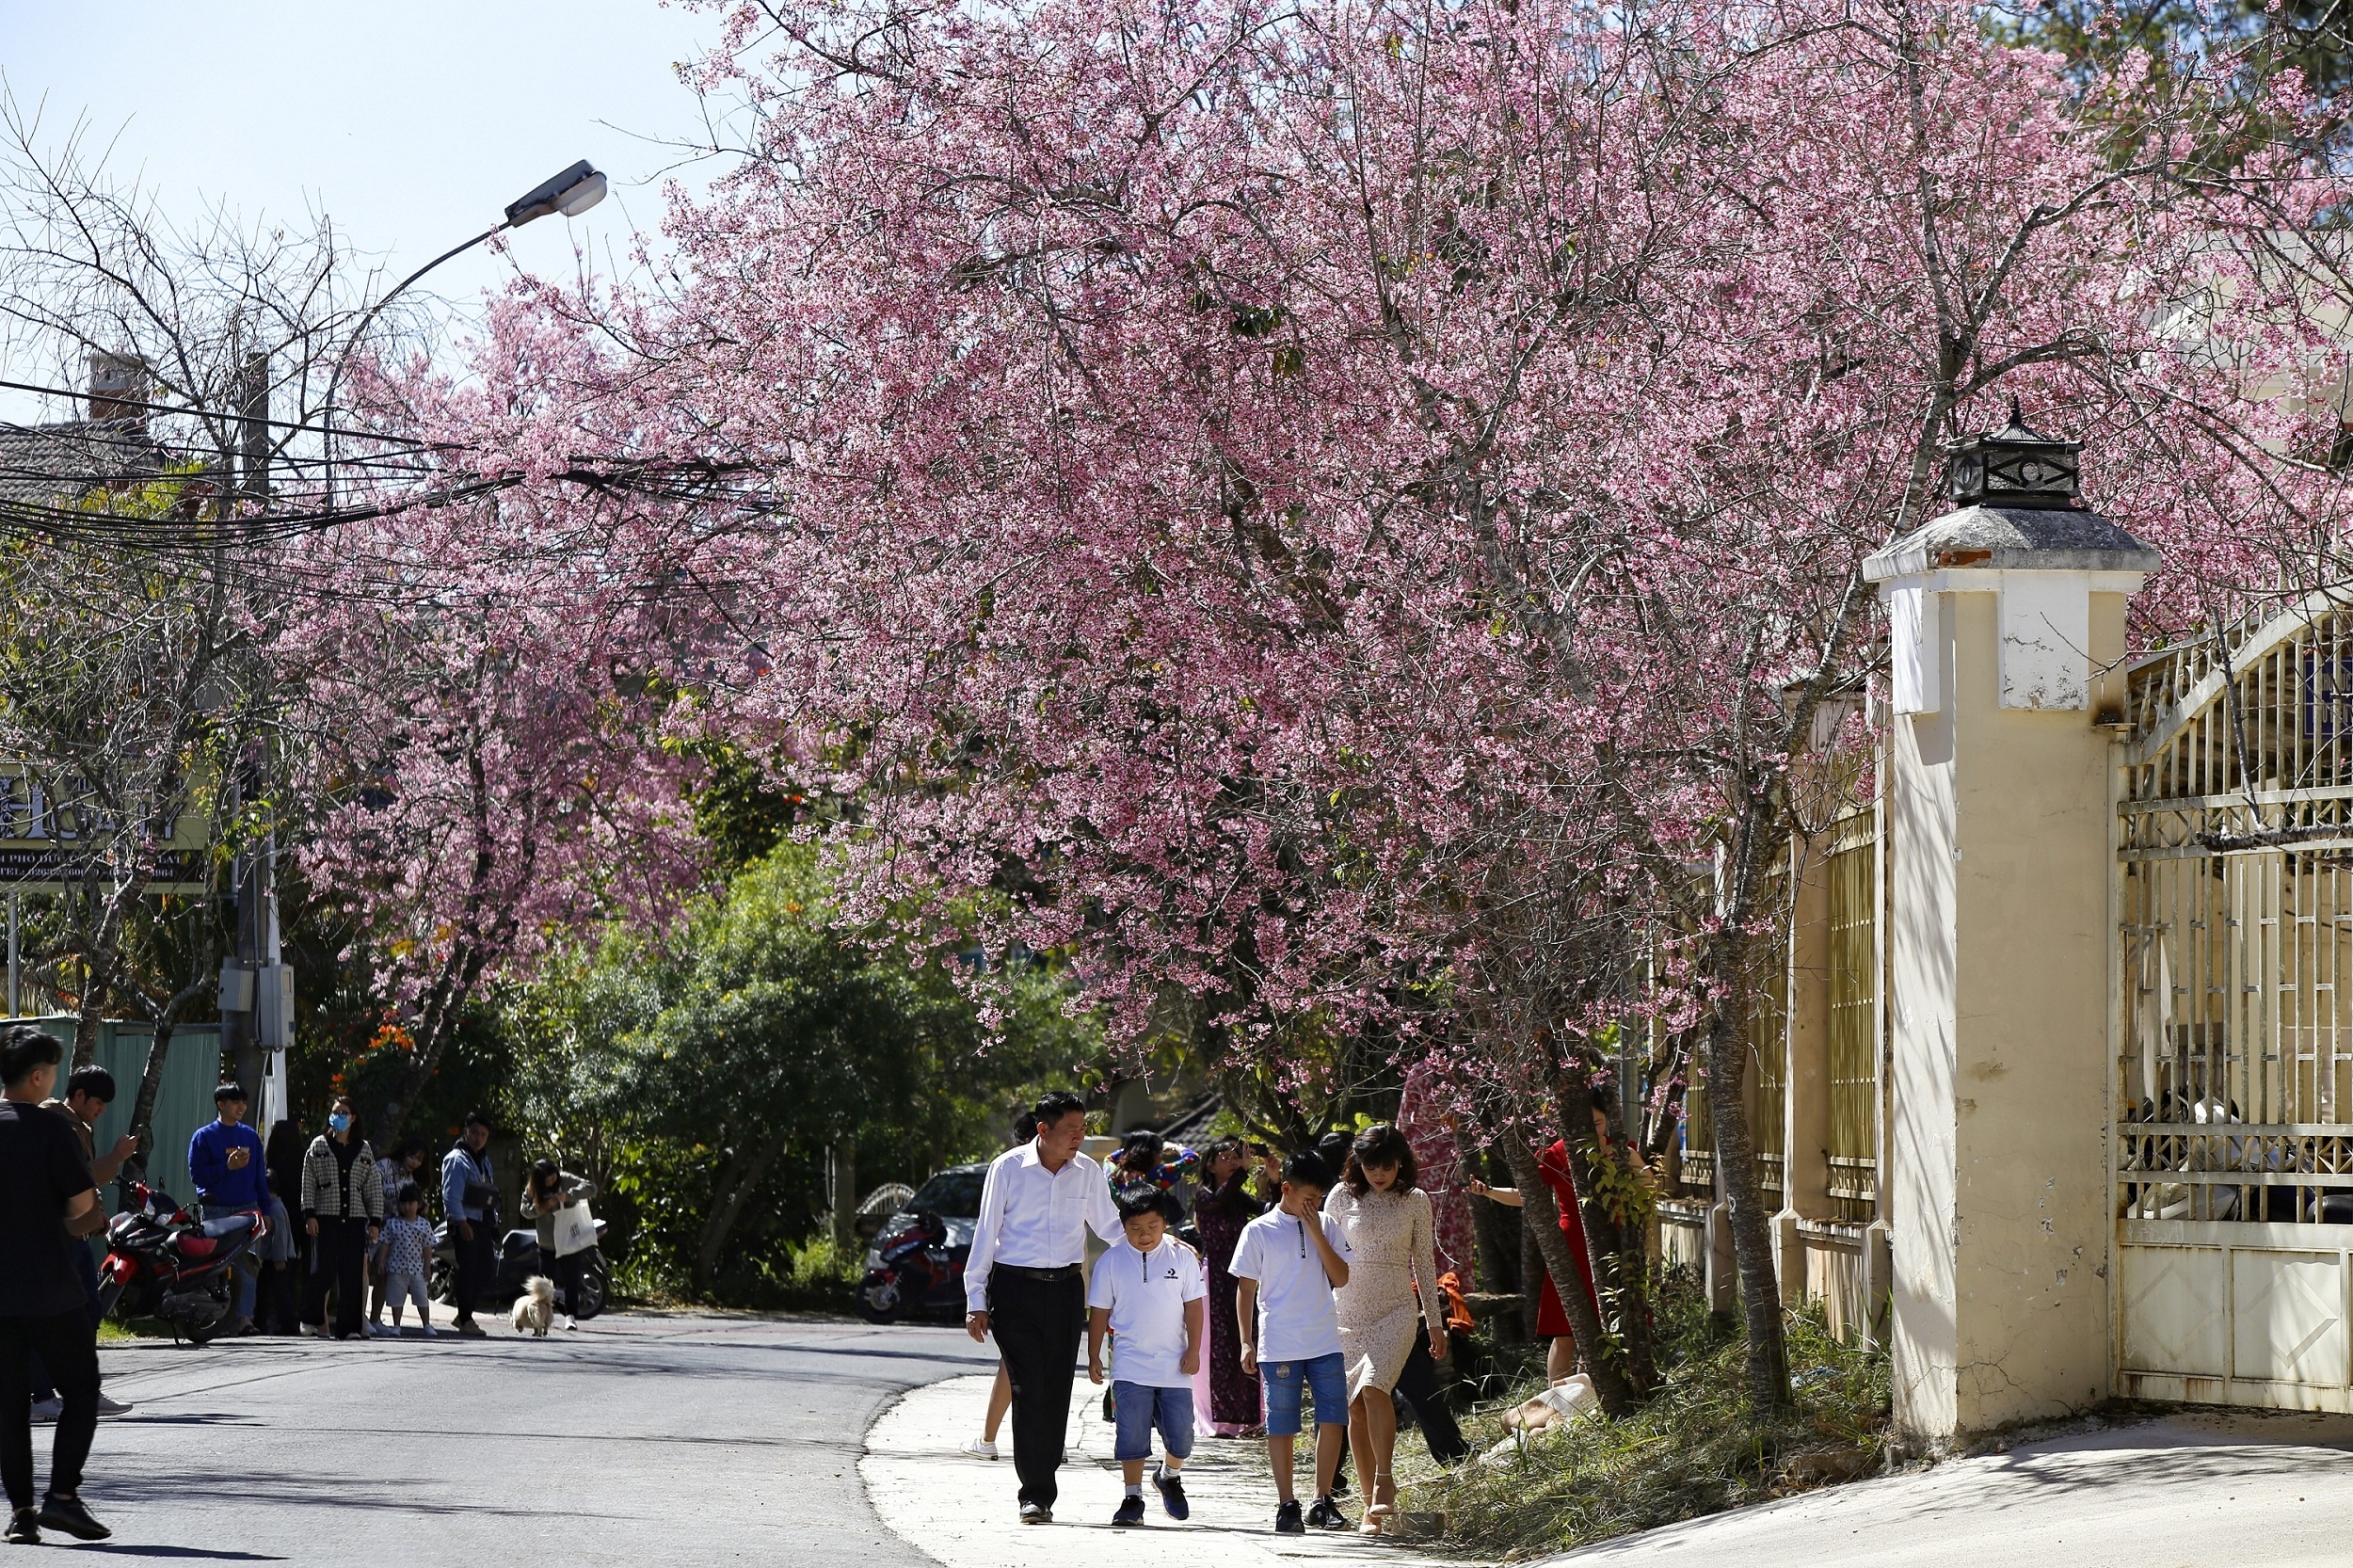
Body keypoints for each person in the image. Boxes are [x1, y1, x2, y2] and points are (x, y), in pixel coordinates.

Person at [964, 1090, 1126, 1525]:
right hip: (1014, 1290)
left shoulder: (1088, 1172)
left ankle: (1043, 1478)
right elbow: (986, 1232)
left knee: (1055, 1389)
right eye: (1071, 1129)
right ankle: (1034, 1493)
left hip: (1066, 1291)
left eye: (1083, 1128)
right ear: (1043, 1129)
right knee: (1027, 1386)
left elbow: (1111, 1226)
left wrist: (1159, 1245)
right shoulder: (1008, 1168)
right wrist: (975, 1299)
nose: (1080, 1136)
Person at [0, 1025, 109, 1543]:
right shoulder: (50, 1131)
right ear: (38, 1077)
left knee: (8, 1403)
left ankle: (21, 1515)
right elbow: (85, 1207)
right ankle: (62, 1497)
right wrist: (66, 1222)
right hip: (47, 1285)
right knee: (82, 1388)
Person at [1325, 1124, 1445, 1536]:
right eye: (1371, 1165)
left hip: (1396, 1311)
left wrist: (1435, 1322)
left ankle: (1385, 1481)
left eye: (1387, 1166)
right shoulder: (1341, 1196)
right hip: (1347, 1313)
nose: (1379, 1174)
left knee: (1376, 1389)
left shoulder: (1415, 1200)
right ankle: (1368, 1507)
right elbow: (1321, 1255)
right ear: (1358, 1163)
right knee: (1355, 1406)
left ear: (1401, 1164)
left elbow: (1425, 1265)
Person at [1232, 1149, 1353, 1536]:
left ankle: (1322, 1500)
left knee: (1333, 1417)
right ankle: (1287, 1502)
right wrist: (1246, 1341)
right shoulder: (1258, 1230)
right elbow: (1245, 1288)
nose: (1315, 1205)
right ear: (1286, 1188)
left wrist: (1316, 1229)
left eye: (1319, 1199)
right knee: (1281, 1425)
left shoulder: (1328, 1224)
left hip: (1324, 1339)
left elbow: (1341, 1277)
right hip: (1279, 1343)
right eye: (1309, 1199)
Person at [1465, 1090, 1617, 1385]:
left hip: (1612, 1246)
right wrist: (1490, 1191)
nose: (1591, 1130)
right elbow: (1527, 1196)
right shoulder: (1557, 1153)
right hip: (1572, 1246)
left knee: (1607, 1328)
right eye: (1585, 1123)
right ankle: (1556, 1402)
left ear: (1608, 1119)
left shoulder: (1622, 1151)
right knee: (1566, 1332)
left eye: (1597, 1123)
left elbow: (1648, 1186)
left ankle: (1597, 1397)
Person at [1086, 1192, 1204, 1527]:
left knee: (1182, 1437)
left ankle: (1169, 1475)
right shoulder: (1111, 1260)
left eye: (1153, 1225)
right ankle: (1132, 1497)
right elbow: (1099, 1310)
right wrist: (1093, 1354)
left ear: (1165, 1223)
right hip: (1129, 1363)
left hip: (1175, 1365)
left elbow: (1194, 1306)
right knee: (1131, 1434)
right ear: (1123, 1226)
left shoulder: (1182, 1257)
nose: (1145, 1234)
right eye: (1136, 1227)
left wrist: (1193, 1349)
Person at [27, 1067, 136, 1422]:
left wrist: (97, 1217)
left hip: (77, 1238)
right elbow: (80, 1176)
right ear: (78, 1096)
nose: (101, 1110)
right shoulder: (54, 1120)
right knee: (52, 1319)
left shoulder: (75, 1124)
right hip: (56, 1241)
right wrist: (117, 1156)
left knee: (87, 1314)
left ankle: (81, 1388)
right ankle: (41, 1395)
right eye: (98, 1103)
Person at [1191, 1135, 1264, 1436]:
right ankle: (1217, 1417)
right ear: (1210, 1164)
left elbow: (1266, 1209)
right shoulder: (1204, 1195)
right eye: (1227, 1156)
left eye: (1238, 1156)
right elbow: (1221, 1196)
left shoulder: (1234, 1195)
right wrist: (1245, 1171)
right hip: (1215, 1279)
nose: (1234, 1161)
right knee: (1216, 1349)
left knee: (1243, 1343)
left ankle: (1247, 1416)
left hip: (1240, 1277)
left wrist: (1273, 1182)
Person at [298, 1097, 384, 1340]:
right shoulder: (319, 1146)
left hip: (355, 1219)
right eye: (335, 1112)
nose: (338, 1116)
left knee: (352, 1276)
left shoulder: (363, 1148)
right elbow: (308, 1183)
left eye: (344, 1112)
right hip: (326, 1217)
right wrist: (309, 1214)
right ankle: (310, 1316)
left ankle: (349, 1328)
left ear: (353, 1118)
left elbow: (372, 1187)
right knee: (322, 1270)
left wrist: (375, 1220)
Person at [187, 1082, 269, 1336]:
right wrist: (227, 1167)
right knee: (214, 1266)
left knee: (247, 1265)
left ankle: (245, 1319)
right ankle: (215, 1319)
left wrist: (264, 1212)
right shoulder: (203, 1137)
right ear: (220, 1105)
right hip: (216, 1211)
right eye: (235, 1102)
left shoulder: (250, 1137)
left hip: (247, 1208)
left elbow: (259, 1177)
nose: (241, 1107)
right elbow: (198, 1176)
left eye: (243, 1102)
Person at [440, 1112, 497, 1338]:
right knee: (469, 1269)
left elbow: (490, 1192)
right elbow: (450, 1195)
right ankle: (466, 1319)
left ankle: (464, 1312)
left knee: (485, 1269)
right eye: (474, 1133)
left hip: (483, 1220)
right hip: (465, 1220)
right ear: (466, 1132)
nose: (478, 1138)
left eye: (483, 1135)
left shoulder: (484, 1160)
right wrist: (461, 1222)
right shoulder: (456, 1159)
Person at [525, 1159, 599, 1330]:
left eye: (554, 1178)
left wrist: (569, 1195)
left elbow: (591, 1187)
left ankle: (571, 1316)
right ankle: (542, 1317)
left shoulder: (564, 1179)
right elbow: (524, 1210)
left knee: (571, 1280)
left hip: (568, 1240)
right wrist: (542, 1207)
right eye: (547, 1181)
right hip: (547, 1242)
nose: (552, 1182)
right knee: (543, 1283)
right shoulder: (532, 1188)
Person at [367, 1141, 426, 1335]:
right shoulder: (384, 1165)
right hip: (371, 1224)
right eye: (412, 1156)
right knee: (363, 1272)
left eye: (419, 1160)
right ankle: (359, 1316)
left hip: (391, 1232)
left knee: (383, 1274)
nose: (414, 1162)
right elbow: (368, 1187)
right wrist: (387, 1205)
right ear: (403, 1152)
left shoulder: (409, 1180)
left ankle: (375, 1319)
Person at [261, 1119, 310, 1336]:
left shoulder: (272, 1165)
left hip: (277, 1213)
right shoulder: (302, 1162)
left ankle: (271, 1316)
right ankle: (293, 1315)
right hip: (300, 1215)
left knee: (271, 1270)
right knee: (293, 1268)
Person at [378, 1183, 436, 1336]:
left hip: (417, 1268)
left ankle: (427, 1324)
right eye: (404, 1203)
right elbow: (385, 1242)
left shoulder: (424, 1225)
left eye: (411, 1203)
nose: (407, 1207)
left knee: (421, 1297)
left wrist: (427, 1267)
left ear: (419, 1205)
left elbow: (427, 1247)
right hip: (396, 1267)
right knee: (396, 1297)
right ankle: (396, 1325)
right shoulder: (393, 1224)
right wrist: (381, 1261)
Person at [1106, 1130, 1201, 1208]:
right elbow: (1193, 1158)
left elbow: (1110, 1157)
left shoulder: (1112, 1172)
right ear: (1150, 1154)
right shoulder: (1155, 1175)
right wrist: (1174, 1147)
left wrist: (1132, 1148)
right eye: (1160, 1152)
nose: (1161, 1156)